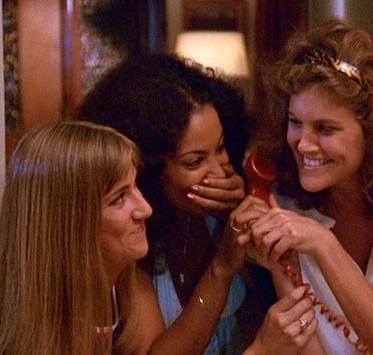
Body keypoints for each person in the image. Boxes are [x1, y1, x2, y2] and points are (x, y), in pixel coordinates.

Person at [230, 18, 373, 354]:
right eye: (295, 122)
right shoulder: (279, 197)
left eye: (325, 129)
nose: (304, 145)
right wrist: (282, 268)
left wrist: (324, 244)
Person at [76, 54, 286, 353]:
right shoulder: (130, 233)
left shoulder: (220, 215)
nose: (220, 169)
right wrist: (222, 267)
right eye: (195, 161)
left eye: (221, 148)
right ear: (148, 169)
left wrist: (236, 217)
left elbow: (267, 313)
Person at [0, 120, 153, 354]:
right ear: (68, 223)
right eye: (119, 198)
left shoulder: (128, 289)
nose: (145, 209)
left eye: (134, 187)